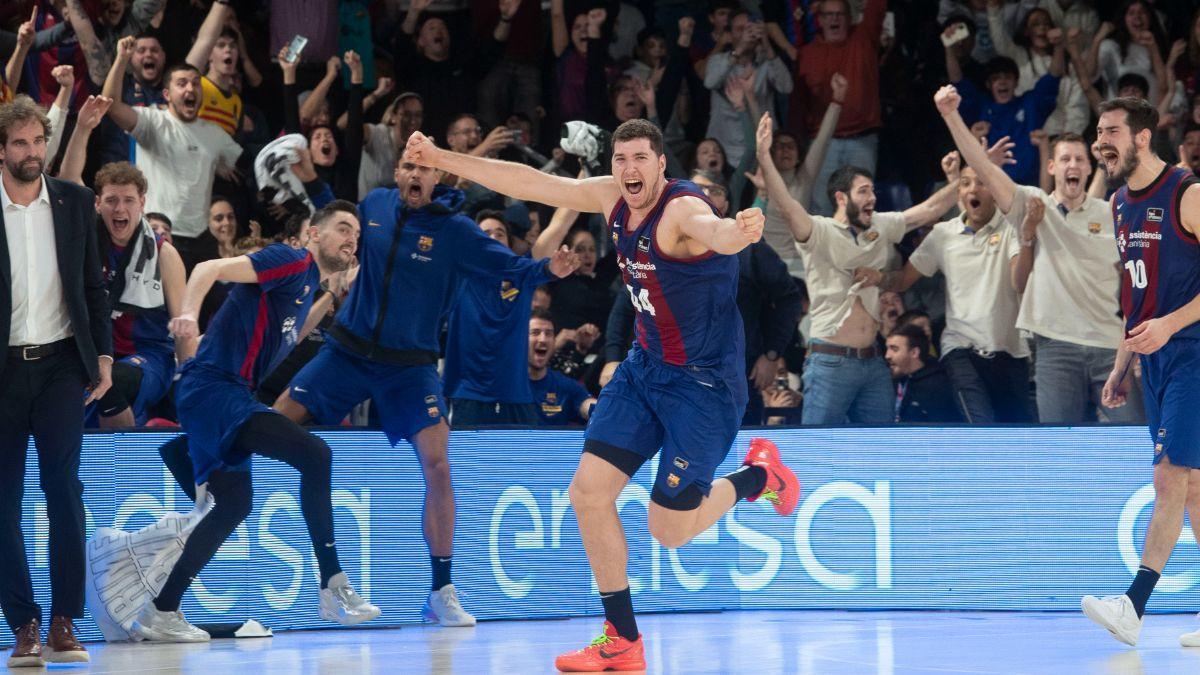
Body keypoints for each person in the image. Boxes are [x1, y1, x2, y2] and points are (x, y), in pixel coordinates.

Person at [403, 117, 801, 672]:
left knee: (670, 530)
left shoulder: (683, 211)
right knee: (587, 493)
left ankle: (761, 475)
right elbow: (530, 183)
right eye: (620, 159)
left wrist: (740, 231)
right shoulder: (613, 196)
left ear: (662, 165)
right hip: (644, 371)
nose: (629, 169)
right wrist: (443, 158)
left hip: (704, 387)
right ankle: (622, 637)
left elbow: (717, 233)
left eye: (641, 158)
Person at [274, 151, 580, 628]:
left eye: (425, 169)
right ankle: (211, 498)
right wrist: (311, 177)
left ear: (438, 177)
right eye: (409, 167)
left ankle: (441, 590)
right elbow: (333, 212)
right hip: (348, 350)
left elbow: (510, 266)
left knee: (439, 465)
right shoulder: (374, 205)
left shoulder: (457, 232)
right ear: (397, 174)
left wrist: (548, 272)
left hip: (410, 366)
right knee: (273, 421)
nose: (416, 175)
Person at [130, 201, 379, 642]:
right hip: (213, 389)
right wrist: (187, 313)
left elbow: (293, 333)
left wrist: (331, 296)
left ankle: (161, 610)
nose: (352, 239)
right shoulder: (290, 259)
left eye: (357, 234)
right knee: (316, 455)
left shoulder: (305, 286)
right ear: (312, 235)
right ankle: (332, 583)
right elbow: (207, 267)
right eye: (343, 228)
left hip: (221, 395)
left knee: (234, 505)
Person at [935, 84, 1141, 424]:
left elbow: (1137, 283)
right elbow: (983, 170)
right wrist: (951, 115)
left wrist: (1133, 346)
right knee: (1058, 451)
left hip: (1109, 347)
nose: (1072, 165)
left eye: (1079, 159)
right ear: (1052, 168)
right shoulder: (1033, 204)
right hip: (1055, 347)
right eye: (1064, 159)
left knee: (1133, 443)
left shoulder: (1114, 213)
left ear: (1090, 169)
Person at [1080, 97, 1200, 648]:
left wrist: (1170, 326)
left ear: (1143, 137)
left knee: (1170, 478)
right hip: (1154, 357)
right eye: (1097, 131)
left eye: (1111, 132)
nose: (1100, 141)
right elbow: (1135, 296)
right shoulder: (1120, 203)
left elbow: (1166, 311)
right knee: (1194, 491)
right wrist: (1122, 361)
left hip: (1193, 354)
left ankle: (1134, 605)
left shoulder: (1188, 193)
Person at [755, 112, 961, 424]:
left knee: (879, 447)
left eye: (873, 191)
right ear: (841, 197)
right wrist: (764, 157)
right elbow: (785, 204)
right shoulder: (818, 230)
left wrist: (959, 182)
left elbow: (928, 211)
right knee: (818, 447)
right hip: (830, 361)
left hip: (873, 361)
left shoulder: (880, 225)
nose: (873, 198)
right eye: (864, 191)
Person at [0, 95, 112, 667]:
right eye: (19, 143)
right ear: (1, 150)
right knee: (2, 505)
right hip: (1, 374)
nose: (31, 152)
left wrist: (106, 357)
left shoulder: (74, 201)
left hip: (62, 366)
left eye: (38, 141)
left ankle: (66, 621)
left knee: (66, 497)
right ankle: (23, 626)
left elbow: (94, 288)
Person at [857, 163, 1033, 423]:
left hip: (1010, 350)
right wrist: (880, 277)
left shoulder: (1012, 228)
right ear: (959, 193)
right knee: (980, 425)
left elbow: (1020, 283)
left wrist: (1027, 239)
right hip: (961, 349)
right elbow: (904, 280)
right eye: (964, 183)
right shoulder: (943, 234)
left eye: (981, 182)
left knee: (1019, 431)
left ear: (995, 190)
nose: (973, 188)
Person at [103, 38, 242, 272]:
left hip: (201, 238)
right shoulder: (152, 121)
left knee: (200, 307)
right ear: (166, 94)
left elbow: (240, 170)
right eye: (182, 83)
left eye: (196, 83)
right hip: (158, 232)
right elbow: (112, 105)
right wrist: (121, 59)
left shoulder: (216, 134)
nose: (190, 89)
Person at [90, 162, 189, 427]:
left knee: (112, 382)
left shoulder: (164, 254)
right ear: (98, 204)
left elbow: (183, 326)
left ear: (142, 203)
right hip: (97, 351)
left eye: (128, 200)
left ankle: (124, 464)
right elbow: (67, 177)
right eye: (111, 200)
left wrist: (192, 383)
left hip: (150, 355)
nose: (120, 208)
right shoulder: (86, 242)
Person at [443, 211, 557, 426]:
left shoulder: (523, 274)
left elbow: (557, 229)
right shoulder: (458, 275)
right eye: (485, 234)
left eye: (500, 234)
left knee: (525, 461)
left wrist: (584, 185)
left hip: (517, 396)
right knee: (467, 461)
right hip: (469, 397)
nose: (493, 238)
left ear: (508, 244)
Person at [528, 308, 596, 425]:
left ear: (554, 341)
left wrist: (606, 410)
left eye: (548, 333)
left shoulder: (564, 385)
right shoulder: (503, 383)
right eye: (535, 332)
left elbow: (587, 404)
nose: (543, 339)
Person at [885, 324, 962, 423]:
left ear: (914, 352)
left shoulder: (938, 387)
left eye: (894, 349)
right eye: (887, 348)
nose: (887, 355)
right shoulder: (893, 380)